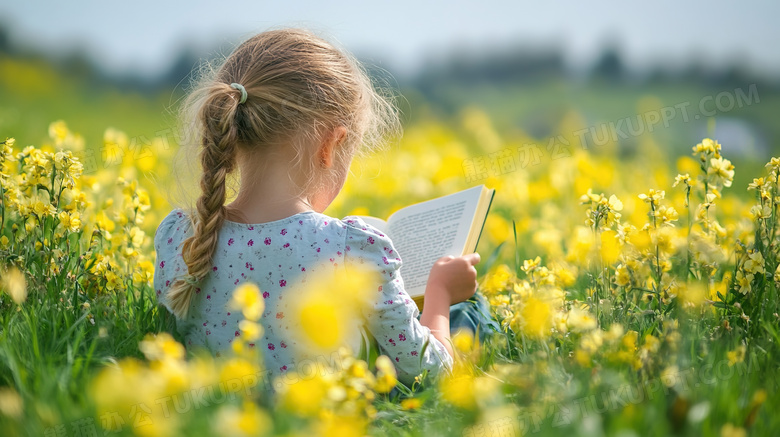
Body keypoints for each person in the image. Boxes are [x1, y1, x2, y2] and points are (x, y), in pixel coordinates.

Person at [153, 28, 493, 387]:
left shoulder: (181, 236)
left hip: (220, 416)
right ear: (331, 144)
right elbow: (431, 372)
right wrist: (439, 291)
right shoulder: (351, 248)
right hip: (334, 417)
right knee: (467, 313)